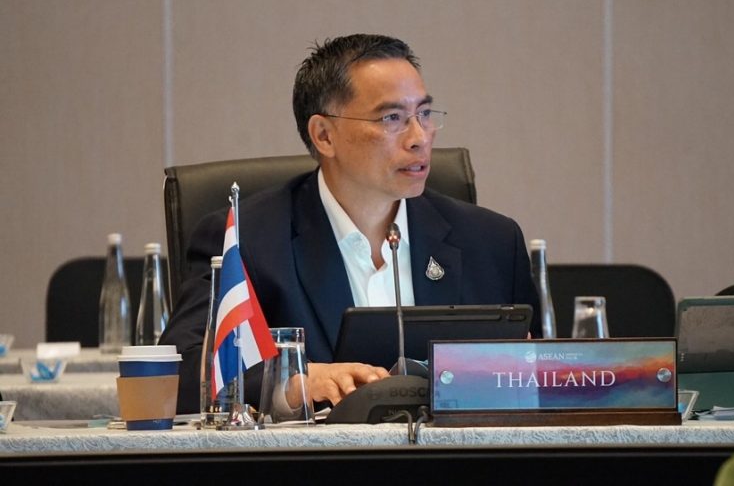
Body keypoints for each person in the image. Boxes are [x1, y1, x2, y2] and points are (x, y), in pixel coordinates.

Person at [159, 33, 541, 414]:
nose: (419, 138)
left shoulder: (491, 243)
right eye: (392, 118)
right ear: (324, 135)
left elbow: (543, 384)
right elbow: (175, 376)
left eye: (424, 114)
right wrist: (293, 384)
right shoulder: (247, 240)